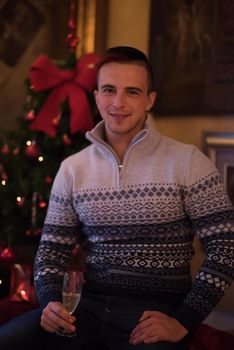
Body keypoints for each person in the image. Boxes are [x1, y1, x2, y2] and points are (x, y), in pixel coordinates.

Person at [0, 46, 233, 350]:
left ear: (150, 100)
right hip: (85, 308)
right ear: (96, 96)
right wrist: (50, 302)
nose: (118, 103)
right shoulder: (73, 169)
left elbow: (225, 246)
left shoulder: (188, 162)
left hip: (153, 315)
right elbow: (52, 249)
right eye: (109, 90)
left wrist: (183, 320)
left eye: (132, 92)